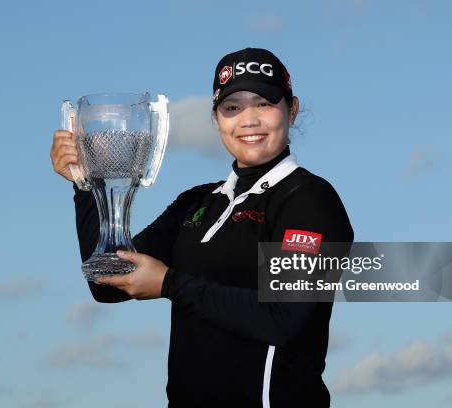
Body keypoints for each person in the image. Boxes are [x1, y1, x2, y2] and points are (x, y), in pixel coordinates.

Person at [51, 47, 354, 407]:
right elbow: (107, 284)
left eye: (264, 104)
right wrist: (86, 185)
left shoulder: (310, 200)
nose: (248, 120)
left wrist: (169, 283)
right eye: (232, 107)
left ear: (292, 109)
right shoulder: (196, 202)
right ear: (216, 118)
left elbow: (285, 319)